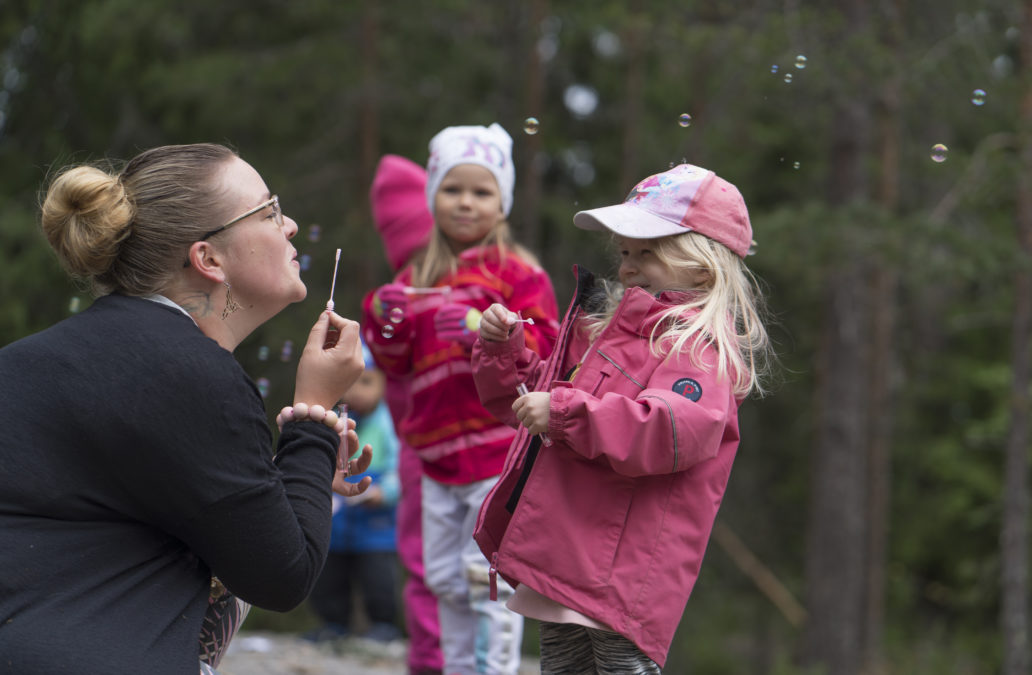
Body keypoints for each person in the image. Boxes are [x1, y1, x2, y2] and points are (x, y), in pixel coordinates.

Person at [0, 143, 374, 675]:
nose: (289, 225)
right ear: (208, 259)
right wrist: (314, 409)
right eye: (268, 212)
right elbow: (282, 576)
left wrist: (305, 468)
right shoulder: (192, 373)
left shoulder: (35, 358)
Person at [471, 163, 773, 672]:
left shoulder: (698, 346)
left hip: (620, 572)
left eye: (647, 252)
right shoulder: (611, 331)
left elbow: (671, 429)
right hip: (569, 553)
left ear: (702, 265)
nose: (628, 266)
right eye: (625, 252)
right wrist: (505, 353)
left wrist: (565, 413)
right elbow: (534, 402)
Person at [362, 124, 560, 675]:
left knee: (487, 578)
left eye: (482, 191)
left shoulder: (519, 274)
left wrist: (488, 329)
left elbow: (547, 351)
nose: (466, 202)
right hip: (434, 458)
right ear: (431, 198)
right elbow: (396, 366)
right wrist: (385, 325)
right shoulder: (415, 277)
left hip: (495, 453)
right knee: (444, 577)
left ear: (503, 202)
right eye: (452, 189)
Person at [368, 154, 444, 675]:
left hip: (474, 455)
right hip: (423, 454)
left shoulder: (474, 290)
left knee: (468, 570)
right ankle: (430, 662)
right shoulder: (399, 304)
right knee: (426, 567)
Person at [308, 340, 403, 644]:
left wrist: (385, 492)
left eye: (366, 381)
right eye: (348, 383)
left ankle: (383, 626)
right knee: (330, 572)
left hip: (376, 522)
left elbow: (402, 470)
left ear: (385, 383)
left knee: (378, 576)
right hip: (338, 519)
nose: (356, 391)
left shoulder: (389, 423)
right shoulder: (333, 420)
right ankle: (334, 624)